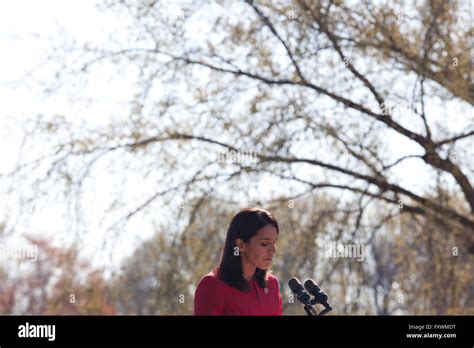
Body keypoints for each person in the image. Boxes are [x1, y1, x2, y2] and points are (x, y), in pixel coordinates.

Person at [194, 207, 282, 315]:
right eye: (264, 244)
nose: (273, 250)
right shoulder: (212, 286)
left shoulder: (272, 284)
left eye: (274, 242)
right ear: (241, 245)